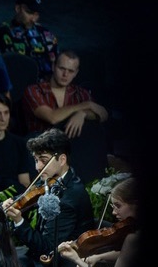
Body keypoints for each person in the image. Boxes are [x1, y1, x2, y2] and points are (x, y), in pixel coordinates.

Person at [1, 127, 94, 267]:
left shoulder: (70, 197)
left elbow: (47, 248)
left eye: (43, 160)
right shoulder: (56, 184)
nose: (37, 167)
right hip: (45, 265)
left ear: (61, 159)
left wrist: (19, 222)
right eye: (35, 160)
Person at [21, 49, 109, 184]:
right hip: (40, 152)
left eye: (71, 71)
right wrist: (84, 106)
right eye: (62, 68)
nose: (65, 74)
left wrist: (83, 113)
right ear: (53, 66)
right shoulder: (34, 90)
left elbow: (103, 114)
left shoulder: (80, 93)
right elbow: (52, 117)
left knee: (96, 132)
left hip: (72, 151)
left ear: (76, 73)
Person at [57, 176, 138, 267]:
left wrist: (78, 260)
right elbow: (127, 254)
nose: (113, 212)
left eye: (118, 206)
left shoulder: (133, 237)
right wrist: (99, 257)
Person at [0, 0, 58, 78]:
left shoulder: (45, 33)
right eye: (29, 13)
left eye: (36, 14)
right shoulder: (3, 31)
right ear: (18, 8)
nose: (34, 19)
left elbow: (56, 62)